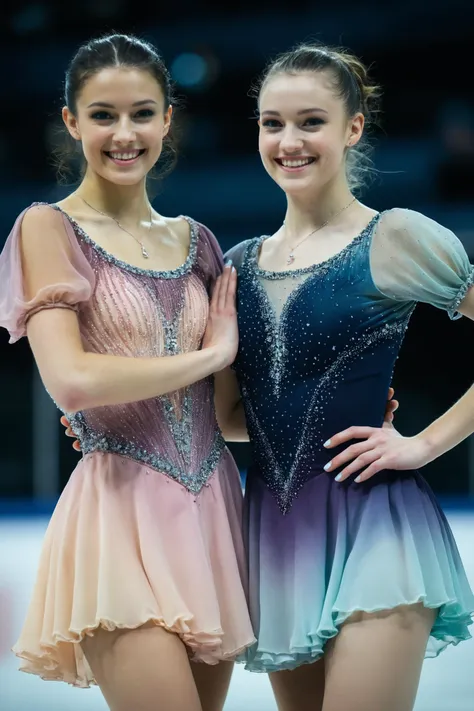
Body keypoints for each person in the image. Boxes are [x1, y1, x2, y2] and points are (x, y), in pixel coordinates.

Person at [0, 33, 257, 711]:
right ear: (71, 122)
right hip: (118, 513)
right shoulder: (47, 228)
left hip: (211, 516)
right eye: (103, 114)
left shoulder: (200, 241)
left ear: (168, 118)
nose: (124, 133)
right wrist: (209, 356)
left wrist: (343, 417)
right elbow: (72, 382)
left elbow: (228, 416)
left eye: (142, 112)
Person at [216, 44, 474, 711]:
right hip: (279, 539)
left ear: (353, 127)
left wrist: (424, 443)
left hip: (378, 528)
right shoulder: (238, 265)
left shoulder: (395, 237)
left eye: (310, 122)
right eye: (272, 123)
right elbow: (229, 418)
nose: (288, 140)